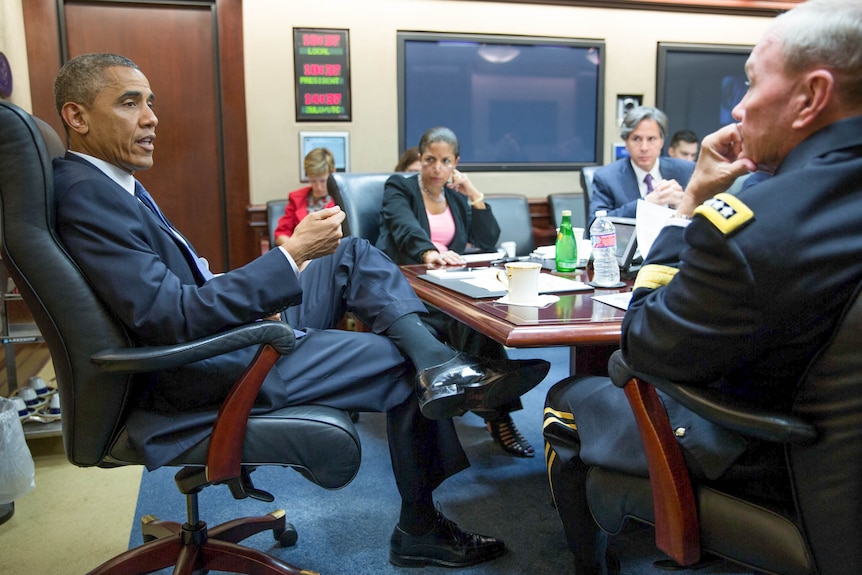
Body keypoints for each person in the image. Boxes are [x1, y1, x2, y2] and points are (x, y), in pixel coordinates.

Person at [51, 53, 551, 568]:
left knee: (349, 253)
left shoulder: (109, 187)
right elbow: (169, 317)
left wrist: (264, 280)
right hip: (209, 361)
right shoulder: (89, 196)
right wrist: (289, 256)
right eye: (130, 103)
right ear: (78, 116)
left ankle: (439, 362)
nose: (151, 116)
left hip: (223, 333)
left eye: (150, 103)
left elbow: (175, 294)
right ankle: (421, 519)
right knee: (403, 364)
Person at [543, 1, 862, 573]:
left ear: (811, 96)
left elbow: (641, 342)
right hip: (840, 469)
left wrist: (689, 207)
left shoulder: (753, 227)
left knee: (567, 401)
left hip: (774, 460)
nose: (738, 108)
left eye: (750, 83)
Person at [377, 127, 534, 457]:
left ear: (456, 164)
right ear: (420, 159)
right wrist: (428, 252)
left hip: (447, 282)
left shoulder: (456, 197)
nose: (436, 168)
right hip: (406, 281)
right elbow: (403, 228)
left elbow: (488, 241)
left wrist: (473, 194)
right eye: (430, 159)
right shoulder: (400, 187)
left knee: (477, 312)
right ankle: (494, 402)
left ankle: (482, 391)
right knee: (467, 316)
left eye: (445, 161)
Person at [590, 106, 694, 221]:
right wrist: (645, 204)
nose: (644, 148)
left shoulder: (687, 171)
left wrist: (681, 208)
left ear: (662, 142)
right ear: (626, 143)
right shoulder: (607, 178)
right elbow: (595, 224)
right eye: (636, 139)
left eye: (651, 139)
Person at [273, 147, 336, 245]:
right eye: (313, 181)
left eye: (323, 181)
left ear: (333, 172)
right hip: (301, 254)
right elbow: (281, 233)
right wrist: (295, 249)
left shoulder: (342, 198)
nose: (318, 187)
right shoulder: (296, 198)